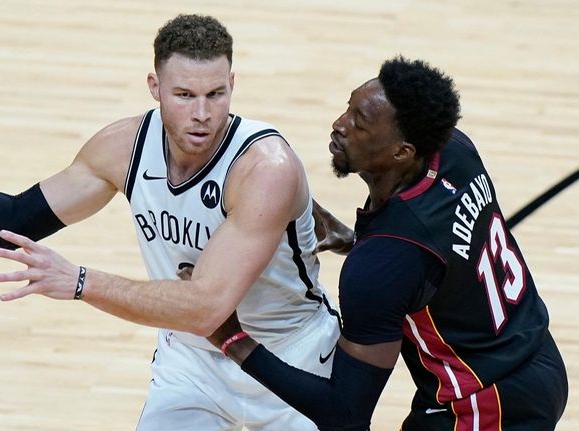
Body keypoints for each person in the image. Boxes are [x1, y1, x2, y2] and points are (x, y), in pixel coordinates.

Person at [0, 14, 352, 431]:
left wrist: (79, 281)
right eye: (184, 95)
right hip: (192, 362)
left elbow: (207, 307)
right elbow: (13, 221)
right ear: (154, 86)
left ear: (232, 83)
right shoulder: (122, 147)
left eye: (216, 94)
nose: (202, 114)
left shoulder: (264, 166)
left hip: (292, 359)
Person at [206, 56, 569, 430]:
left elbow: (344, 414)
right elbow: (436, 252)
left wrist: (232, 337)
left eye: (359, 124)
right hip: (538, 359)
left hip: (483, 406)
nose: (339, 125)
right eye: (348, 109)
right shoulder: (453, 150)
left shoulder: (382, 262)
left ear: (402, 151)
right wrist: (357, 238)